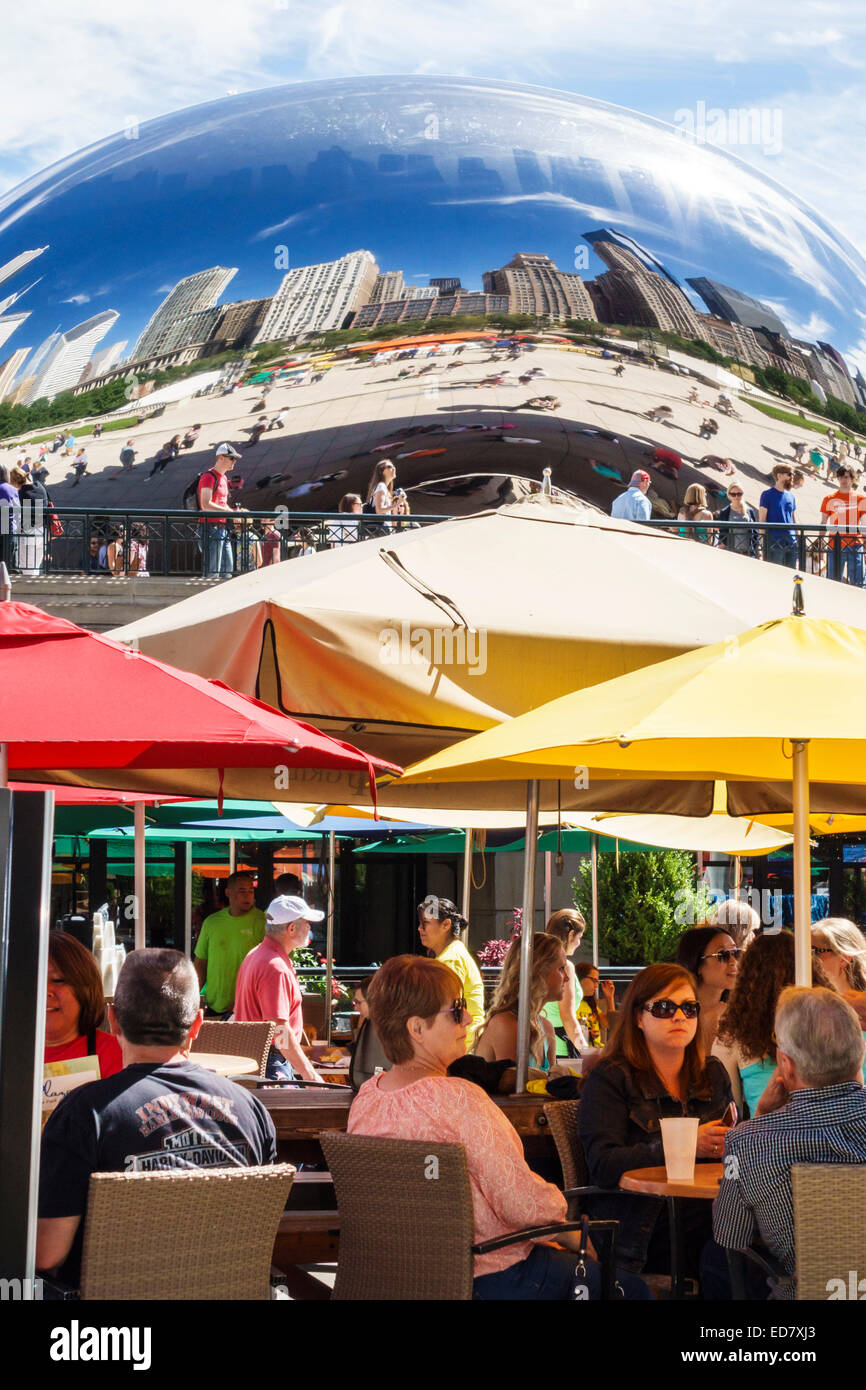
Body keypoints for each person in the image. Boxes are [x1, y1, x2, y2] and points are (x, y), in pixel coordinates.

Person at [349, 955, 650, 1300]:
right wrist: (569, 1228)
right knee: (631, 1290)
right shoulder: (459, 1099)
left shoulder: (367, 1100)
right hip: (489, 1275)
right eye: (456, 1011)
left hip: (402, 1277)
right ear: (416, 1029)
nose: (469, 1018)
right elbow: (520, 1203)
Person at [37, 949, 277, 1286]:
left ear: (114, 1019)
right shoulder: (252, 1111)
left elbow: (46, 1254)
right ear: (196, 1024)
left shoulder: (85, 1113)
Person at [578, 962, 733, 1277]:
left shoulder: (712, 1074)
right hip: (642, 1226)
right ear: (638, 1017)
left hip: (710, 1213)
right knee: (731, 1256)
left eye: (689, 1008)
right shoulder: (610, 1078)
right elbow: (603, 1165)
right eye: (664, 1008)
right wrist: (687, 1144)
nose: (679, 1016)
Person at [711, 987, 866, 1299]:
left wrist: (759, 1118)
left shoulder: (750, 1142)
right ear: (859, 1051)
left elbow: (730, 1235)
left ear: (786, 1063)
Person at [713, 929, 831, 1113]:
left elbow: (728, 1115)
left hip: (764, 1139)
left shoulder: (732, 1035)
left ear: (748, 977)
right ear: (809, 968)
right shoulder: (834, 1024)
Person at [233, 895, 325, 1082]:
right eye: (306, 922)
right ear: (291, 928)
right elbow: (279, 1030)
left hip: (259, 1058)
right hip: (270, 1062)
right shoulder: (275, 966)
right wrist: (310, 1076)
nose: (309, 928)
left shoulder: (256, 955)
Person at [474, 933, 568, 1071]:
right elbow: (510, 1086)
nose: (567, 978)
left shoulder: (546, 1027)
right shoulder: (506, 1024)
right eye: (561, 968)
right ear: (538, 971)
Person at [44, 931, 123, 1079]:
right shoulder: (6, 1053)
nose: (45, 990)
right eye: (34, 980)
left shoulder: (117, 1054)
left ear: (85, 988)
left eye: (57, 979)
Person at [193, 870, 266, 1018]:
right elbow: (201, 962)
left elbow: (270, 968)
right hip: (215, 1005)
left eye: (251, 891)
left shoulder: (264, 922)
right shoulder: (212, 922)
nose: (247, 895)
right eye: (242, 890)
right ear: (228, 892)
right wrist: (193, 999)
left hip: (251, 1007)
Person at [417, 894, 485, 1034]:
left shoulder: (450, 959)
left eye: (426, 923)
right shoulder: (453, 953)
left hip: (462, 1043)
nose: (420, 928)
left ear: (446, 925)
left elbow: (447, 1011)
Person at [676, 925, 741, 1053]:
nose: (733, 962)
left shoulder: (738, 1013)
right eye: (722, 955)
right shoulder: (675, 1015)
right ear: (697, 964)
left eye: (736, 953)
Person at [540, 908, 589, 1059]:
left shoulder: (537, 962)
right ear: (571, 934)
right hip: (561, 1048)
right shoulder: (565, 966)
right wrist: (587, 1053)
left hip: (540, 1043)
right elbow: (567, 1017)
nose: (579, 943)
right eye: (579, 937)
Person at [198, 443, 241, 579]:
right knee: (213, 573)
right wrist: (229, 512)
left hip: (222, 528)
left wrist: (233, 512)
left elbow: (222, 503)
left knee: (227, 571)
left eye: (235, 459)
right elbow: (205, 504)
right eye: (232, 458)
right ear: (221, 457)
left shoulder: (223, 478)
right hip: (210, 528)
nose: (234, 462)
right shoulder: (208, 477)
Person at [819, 464, 866, 585]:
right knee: (833, 581)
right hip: (835, 544)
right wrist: (820, 542)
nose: (843, 480)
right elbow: (823, 522)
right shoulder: (828, 498)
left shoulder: (861, 498)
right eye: (840, 477)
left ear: (852, 478)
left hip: (855, 545)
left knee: (858, 583)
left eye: (846, 477)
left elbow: (864, 523)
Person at [759, 464, 798, 567]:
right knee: (775, 574)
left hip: (791, 542)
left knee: (791, 575)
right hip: (774, 542)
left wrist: (798, 539)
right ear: (779, 475)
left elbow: (794, 519)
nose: (792, 477)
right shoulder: (767, 495)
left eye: (793, 474)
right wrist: (762, 543)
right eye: (789, 474)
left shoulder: (791, 496)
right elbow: (762, 520)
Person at [575, 961, 616, 1048]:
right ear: (579, 978)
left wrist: (609, 998)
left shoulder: (590, 1004)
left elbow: (610, 1024)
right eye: (594, 980)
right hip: (581, 1052)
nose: (596, 986)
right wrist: (587, 1034)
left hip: (596, 1051)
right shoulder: (571, 1004)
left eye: (597, 981)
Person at [715, 484, 759, 557]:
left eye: (739, 494)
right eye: (733, 494)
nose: (736, 497)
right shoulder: (724, 512)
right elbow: (722, 532)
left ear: (743, 494)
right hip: (730, 551)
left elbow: (755, 532)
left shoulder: (750, 511)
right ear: (729, 495)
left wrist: (758, 549)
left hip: (748, 551)